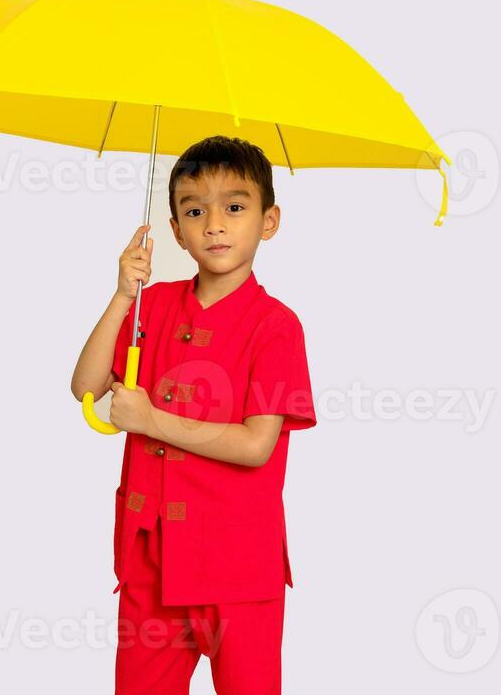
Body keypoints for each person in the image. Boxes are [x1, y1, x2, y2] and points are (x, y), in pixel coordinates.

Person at [70, 135, 317, 695]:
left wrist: (152, 420)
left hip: (238, 570)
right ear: (176, 229)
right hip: (151, 564)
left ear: (268, 220)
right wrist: (122, 297)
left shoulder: (276, 327)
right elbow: (85, 386)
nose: (214, 225)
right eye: (194, 210)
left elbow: (257, 445)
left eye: (235, 207)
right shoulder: (151, 307)